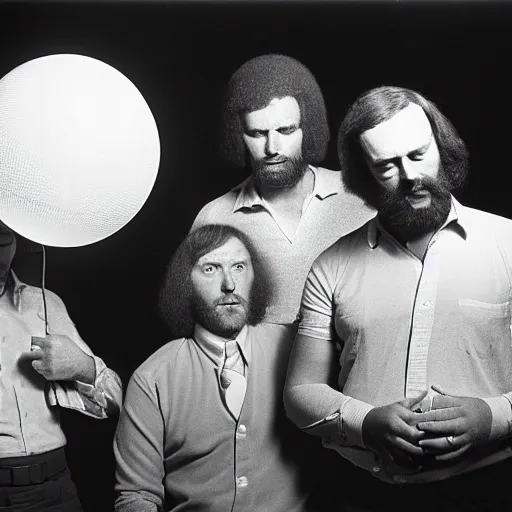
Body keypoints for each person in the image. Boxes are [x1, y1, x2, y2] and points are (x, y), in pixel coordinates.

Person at [284, 85, 512, 511]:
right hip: (360, 494)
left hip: (489, 490)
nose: (409, 176)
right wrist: (365, 423)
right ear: (363, 174)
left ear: (442, 147)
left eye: (419, 153)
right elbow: (300, 390)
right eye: (386, 165)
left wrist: (492, 417)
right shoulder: (330, 266)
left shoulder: (509, 244)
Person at [114, 224, 323, 512]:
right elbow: (137, 495)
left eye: (239, 267)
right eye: (211, 269)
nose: (229, 285)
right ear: (185, 282)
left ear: (254, 275)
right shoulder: (152, 379)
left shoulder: (296, 348)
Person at [191, 53, 375, 325]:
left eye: (286, 130)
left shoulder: (361, 199)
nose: (272, 148)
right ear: (237, 135)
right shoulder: (214, 217)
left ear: (307, 129)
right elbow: (204, 322)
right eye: (257, 133)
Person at [0, 219, 123, 511]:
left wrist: (82, 367)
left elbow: (115, 402)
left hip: (56, 488)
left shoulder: (45, 303)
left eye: (3, 240)